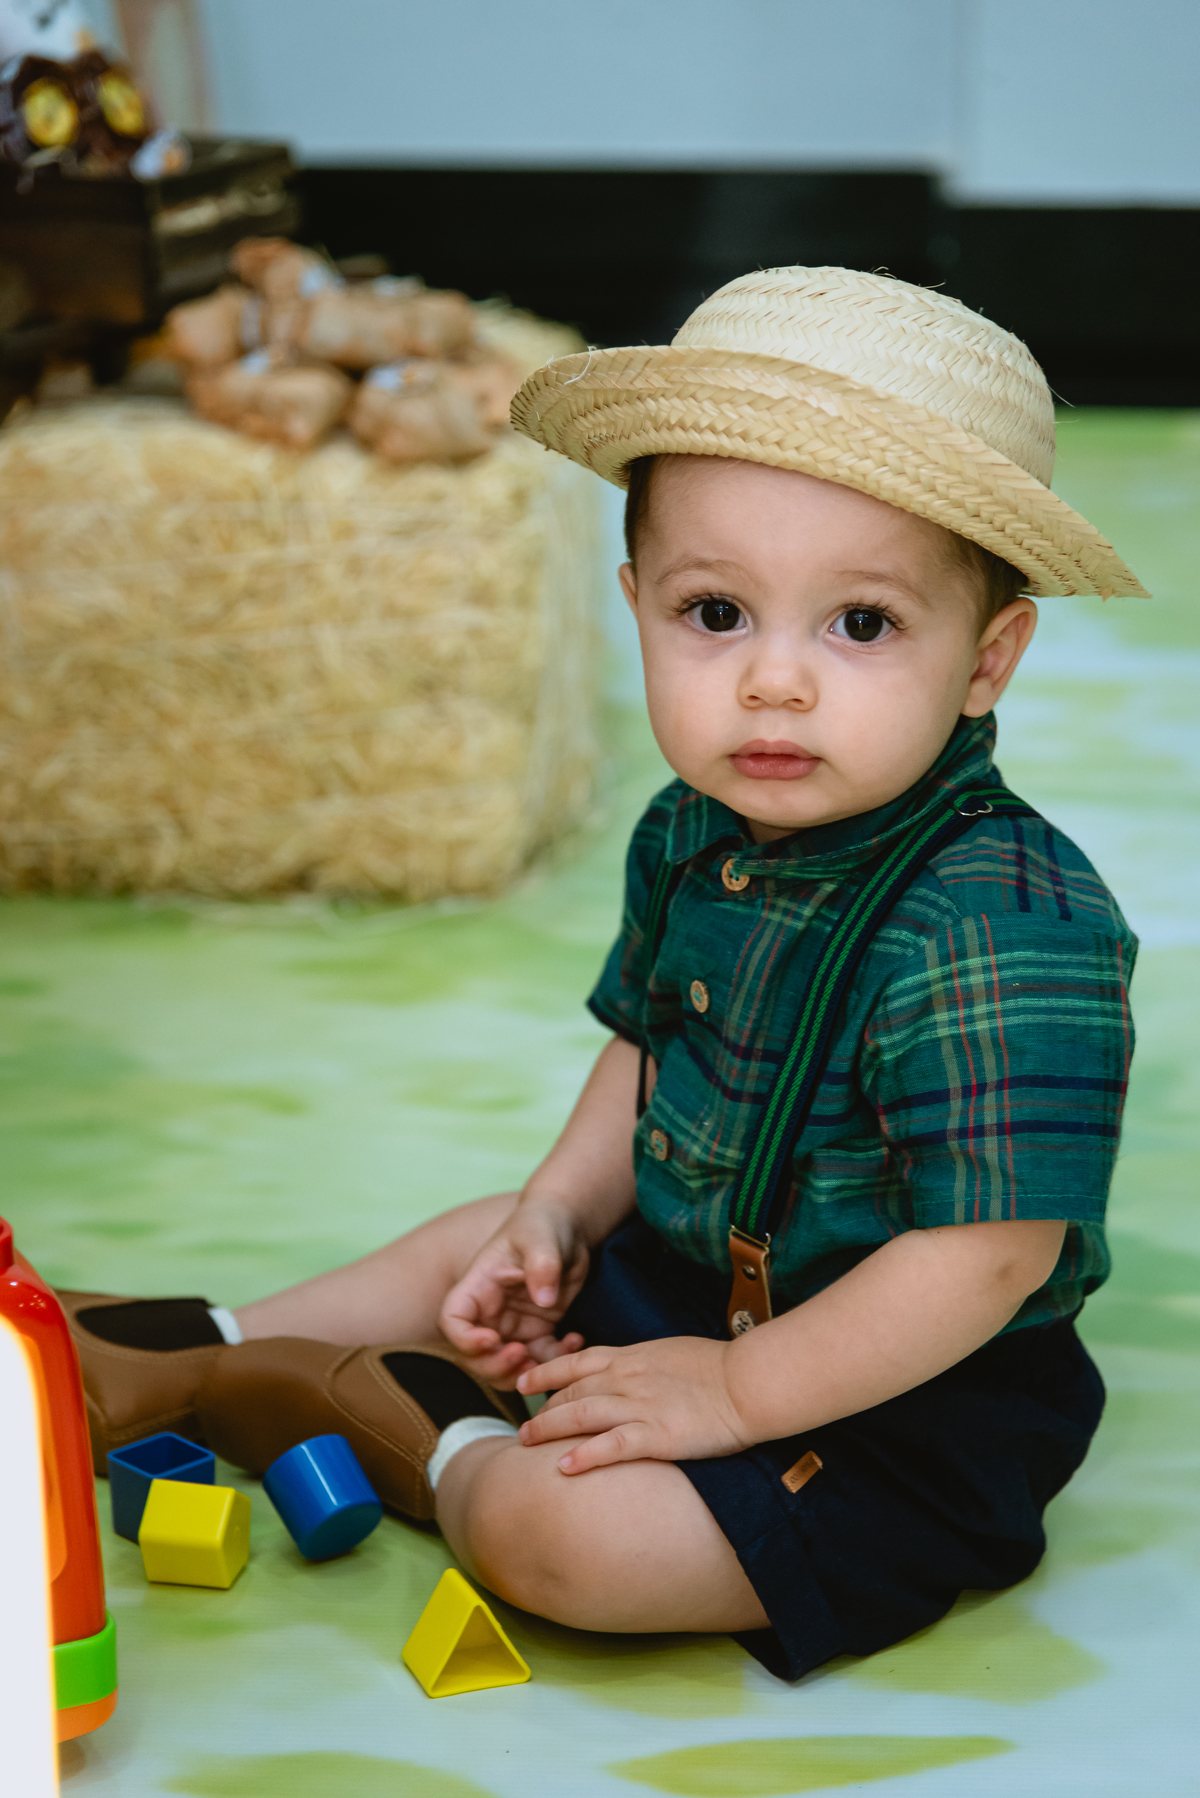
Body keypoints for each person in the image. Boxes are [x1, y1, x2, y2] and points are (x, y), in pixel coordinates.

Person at [62, 267, 1144, 1681]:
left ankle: (416, 1423)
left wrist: (741, 1390)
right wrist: (557, 1217)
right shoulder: (696, 830)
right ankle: (202, 1346)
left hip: (898, 1396)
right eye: (715, 613)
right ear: (635, 601)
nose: (773, 682)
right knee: (475, 1236)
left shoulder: (1008, 921)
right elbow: (647, 1046)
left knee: (566, 1547)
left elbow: (990, 1254)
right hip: (689, 1280)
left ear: (989, 656)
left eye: (860, 625)